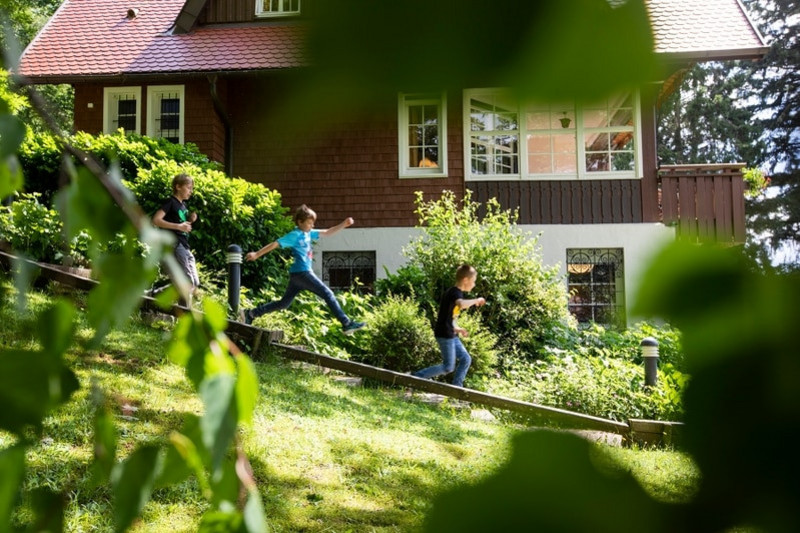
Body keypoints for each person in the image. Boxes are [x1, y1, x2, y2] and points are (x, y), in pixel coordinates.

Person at [240, 204, 366, 335]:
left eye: (313, 223)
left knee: (284, 304)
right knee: (327, 293)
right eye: (309, 223)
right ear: (300, 222)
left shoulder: (308, 234)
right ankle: (346, 323)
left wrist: (343, 224)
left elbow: (327, 232)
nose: (312, 226)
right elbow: (275, 244)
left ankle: (251, 314)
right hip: (302, 273)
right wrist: (256, 254)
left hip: (297, 276)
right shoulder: (294, 235)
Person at [413, 264, 486, 387]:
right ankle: (415, 377)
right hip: (444, 334)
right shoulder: (454, 292)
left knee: (466, 359)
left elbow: (447, 317)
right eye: (473, 282)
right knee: (448, 367)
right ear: (465, 280)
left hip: (450, 333)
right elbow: (462, 304)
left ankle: (457, 388)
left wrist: (458, 329)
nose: (474, 285)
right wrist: (476, 300)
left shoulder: (456, 293)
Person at [152, 173, 199, 306]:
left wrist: (190, 220)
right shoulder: (170, 202)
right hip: (175, 244)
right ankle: (184, 314)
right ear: (178, 187)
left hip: (185, 245)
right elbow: (156, 220)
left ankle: (155, 294)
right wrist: (178, 226)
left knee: (194, 283)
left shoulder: (183, 206)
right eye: (189, 187)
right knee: (187, 280)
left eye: (191, 188)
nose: (191, 191)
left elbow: (182, 227)